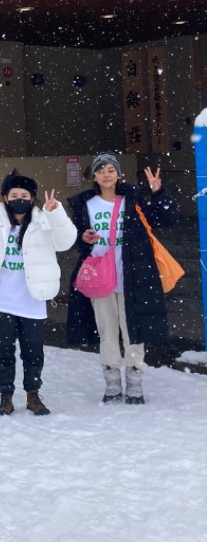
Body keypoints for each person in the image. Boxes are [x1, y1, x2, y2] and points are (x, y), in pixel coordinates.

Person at [67, 153, 179, 405]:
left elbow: (166, 219)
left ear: (118, 174)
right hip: (99, 278)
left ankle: (135, 385)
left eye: (110, 169)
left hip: (133, 276)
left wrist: (158, 192)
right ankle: (112, 384)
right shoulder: (85, 204)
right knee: (107, 331)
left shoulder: (133, 200)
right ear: (93, 176)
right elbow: (72, 238)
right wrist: (81, 239)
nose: (106, 174)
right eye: (101, 170)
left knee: (133, 331)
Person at [0, 173, 77, 417]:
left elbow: (66, 241)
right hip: (1, 300)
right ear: (5, 197)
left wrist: (55, 212)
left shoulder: (43, 221)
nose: (19, 199)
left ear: (33, 199)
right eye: (14, 195)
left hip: (32, 302)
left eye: (24, 196)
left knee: (33, 352)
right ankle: (5, 396)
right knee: (3, 352)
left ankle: (33, 395)